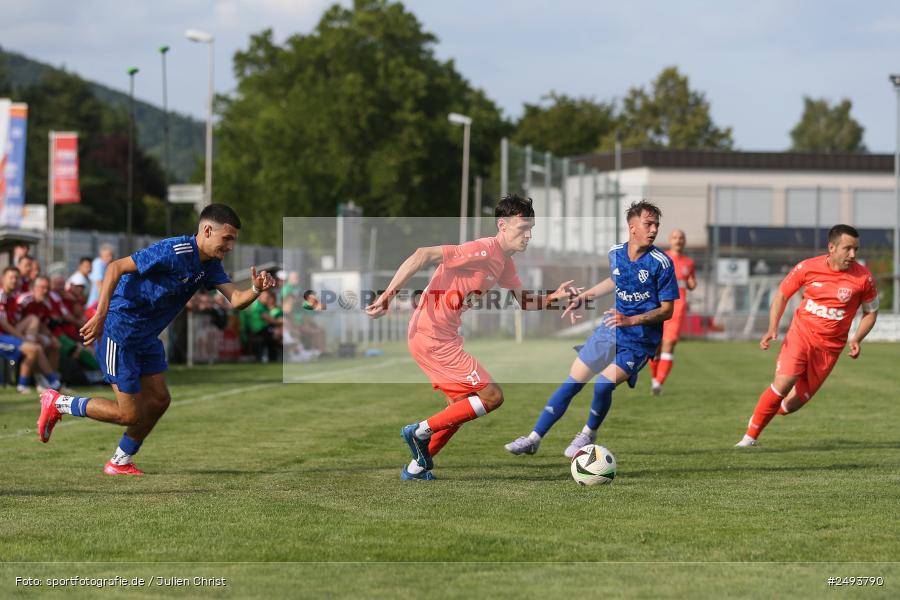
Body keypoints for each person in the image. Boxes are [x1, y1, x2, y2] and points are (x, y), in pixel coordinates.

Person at [36, 204, 277, 476]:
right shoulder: (174, 251)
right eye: (228, 238)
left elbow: (236, 299)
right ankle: (58, 403)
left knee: (160, 400)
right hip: (121, 332)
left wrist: (256, 288)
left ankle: (120, 461)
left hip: (147, 338)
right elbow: (115, 267)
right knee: (128, 414)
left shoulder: (211, 265)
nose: (231, 246)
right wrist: (101, 315)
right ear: (207, 231)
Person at [366, 194, 575, 480]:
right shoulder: (483, 250)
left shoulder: (505, 263)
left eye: (531, 229)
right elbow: (422, 255)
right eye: (522, 228)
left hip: (442, 336)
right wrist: (388, 297)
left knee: (461, 408)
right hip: (432, 336)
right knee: (491, 396)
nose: (528, 236)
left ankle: (416, 469)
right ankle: (418, 432)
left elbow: (524, 301)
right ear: (502, 225)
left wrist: (556, 296)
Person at [505, 200, 679, 458]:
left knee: (602, 385)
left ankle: (587, 433)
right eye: (648, 224)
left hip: (640, 340)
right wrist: (584, 297)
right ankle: (533, 439)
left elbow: (667, 310)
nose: (654, 229)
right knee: (572, 381)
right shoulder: (615, 253)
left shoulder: (661, 263)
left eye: (656, 225)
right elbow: (613, 280)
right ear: (632, 227)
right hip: (609, 330)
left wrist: (631, 320)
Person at [735, 224, 879, 447]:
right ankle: (749, 437)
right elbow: (782, 295)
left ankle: (766, 412)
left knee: (792, 405)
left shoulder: (864, 278)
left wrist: (857, 338)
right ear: (832, 247)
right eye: (847, 248)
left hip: (829, 350)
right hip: (801, 335)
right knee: (783, 384)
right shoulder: (807, 267)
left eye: (856, 250)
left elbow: (871, 313)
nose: (853, 255)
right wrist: (772, 328)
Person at [648, 228, 696, 395]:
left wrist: (691, 283)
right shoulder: (662, 258)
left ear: (684, 241)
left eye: (681, 237)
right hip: (659, 307)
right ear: (670, 240)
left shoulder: (689, 262)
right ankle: (655, 379)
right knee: (656, 346)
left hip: (677, 309)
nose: (678, 240)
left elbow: (691, 282)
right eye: (675, 237)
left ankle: (658, 383)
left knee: (669, 344)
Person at [0, 267, 61, 393]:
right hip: (3, 336)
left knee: (51, 346)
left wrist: (50, 336)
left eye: (16, 278)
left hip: (12, 334)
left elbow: (42, 324)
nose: (14, 280)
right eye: (11, 277)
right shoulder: (6, 296)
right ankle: (51, 382)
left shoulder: (12, 296)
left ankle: (45, 382)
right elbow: (4, 324)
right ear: (3, 278)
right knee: (33, 347)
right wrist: (24, 339)